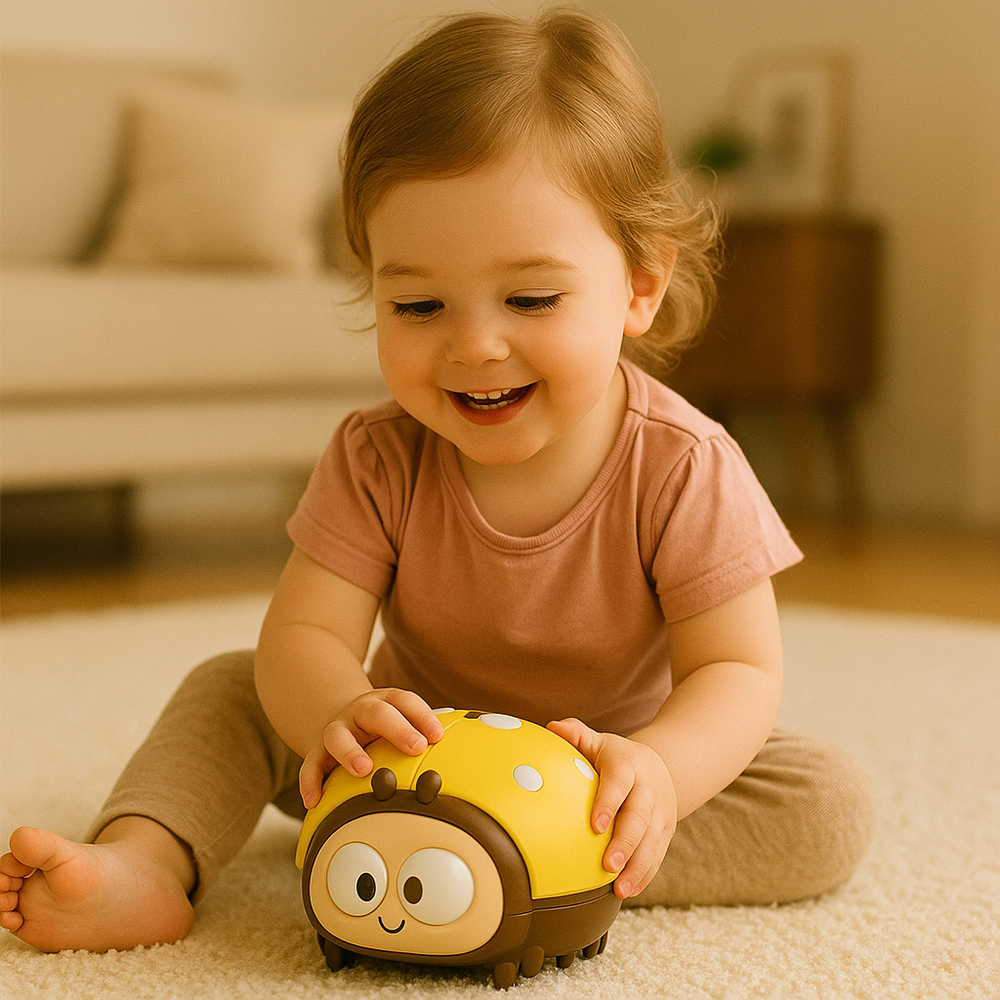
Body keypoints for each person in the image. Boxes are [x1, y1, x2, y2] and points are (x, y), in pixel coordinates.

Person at [1, 7, 876, 955]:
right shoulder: (378, 457)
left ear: (640, 283)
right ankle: (147, 864)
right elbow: (303, 634)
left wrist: (657, 773)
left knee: (825, 804)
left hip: (595, 778)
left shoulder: (683, 466)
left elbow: (736, 671)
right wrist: (338, 711)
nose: (475, 346)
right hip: (408, 767)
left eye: (532, 298)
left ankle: (538, 863)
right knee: (231, 689)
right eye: (417, 304)